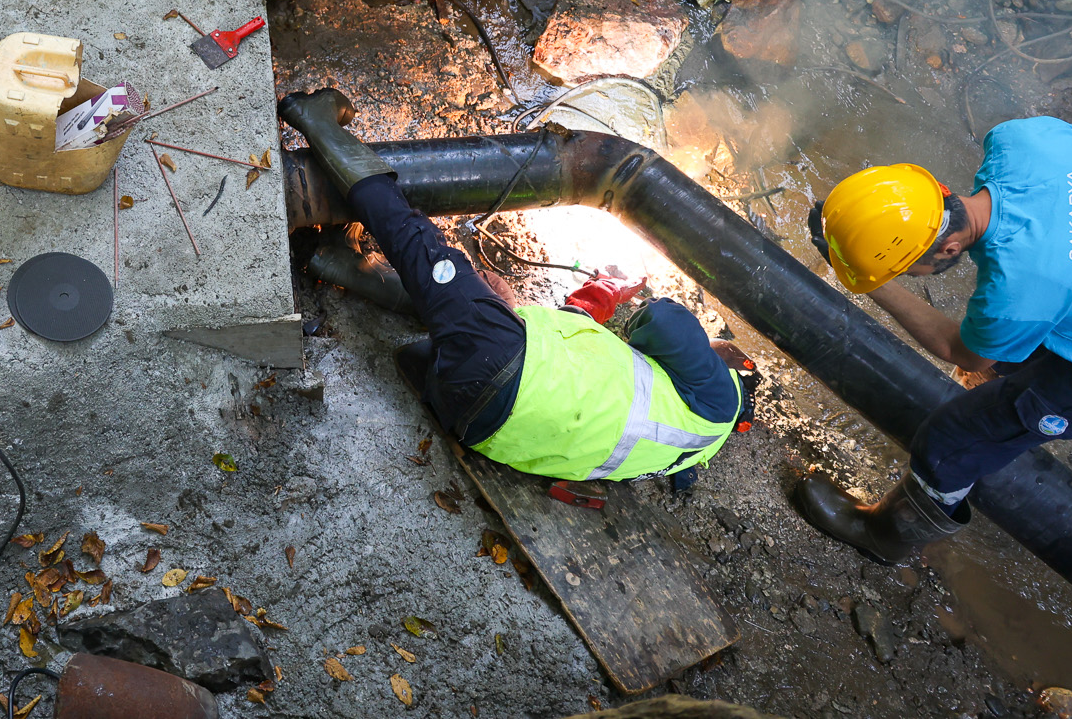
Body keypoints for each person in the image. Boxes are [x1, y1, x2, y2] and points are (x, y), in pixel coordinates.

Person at [281, 89, 752, 483]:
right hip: (473, 418)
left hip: (499, 362)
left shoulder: (720, 394)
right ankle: (337, 264)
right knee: (463, 307)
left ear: (735, 365)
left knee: (418, 243)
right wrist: (593, 295)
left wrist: (701, 343)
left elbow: (664, 321)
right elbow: (581, 355)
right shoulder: (681, 451)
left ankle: (317, 121)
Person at [796, 115, 1072, 563]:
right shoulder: (1021, 139)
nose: (906, 277)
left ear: (949, 251)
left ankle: (883, 536)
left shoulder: (1017, 292)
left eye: (903, 270)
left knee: (955, 436)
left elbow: (959, 351)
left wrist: (870, 283)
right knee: (1019, 342)